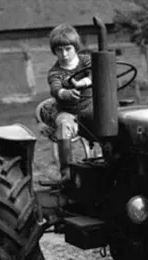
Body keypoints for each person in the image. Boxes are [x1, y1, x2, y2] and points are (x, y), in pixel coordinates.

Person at [40, 23, 93, 181]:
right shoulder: (55, 72)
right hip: (67, 111)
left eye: (68, 49)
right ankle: (67, 171)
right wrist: (65, 93)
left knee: (112, 118)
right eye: (59, 50)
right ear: (54, 51)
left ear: (75, 47)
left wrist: (82, 83)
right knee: (64, 124)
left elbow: (94, 75)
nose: (64, 54)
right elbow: (56, 89)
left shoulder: (86, 61)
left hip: (90, 107)